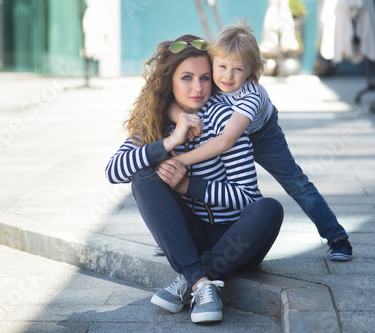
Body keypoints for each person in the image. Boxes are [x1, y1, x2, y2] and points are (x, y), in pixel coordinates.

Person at [105, 34, 284, 324]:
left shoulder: (225, 120)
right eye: (187, 78)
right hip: (192, 235)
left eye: (204, 78)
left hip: (235, 240)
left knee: (269, 209)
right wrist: (169, 141)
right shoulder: (154, 122)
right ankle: (201, 284)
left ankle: (191, 277)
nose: (198, 88)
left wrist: (188, 185)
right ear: (169, 81)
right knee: (142, 176)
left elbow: (248, 197)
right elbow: (114, 171)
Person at [167, 19, 352, 261]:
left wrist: (180, 160)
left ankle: (336, 236)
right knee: (196, 176)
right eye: (221, 67)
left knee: (296, 182)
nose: (228, 76)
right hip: (224, 133)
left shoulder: (251, 95)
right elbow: (172, 104)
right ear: (212, 62)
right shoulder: (208, 80)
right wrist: (184, 120)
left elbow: (226, 141)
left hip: (262, 135)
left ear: (251, 70)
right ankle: (182, 238)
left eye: (238, 70)